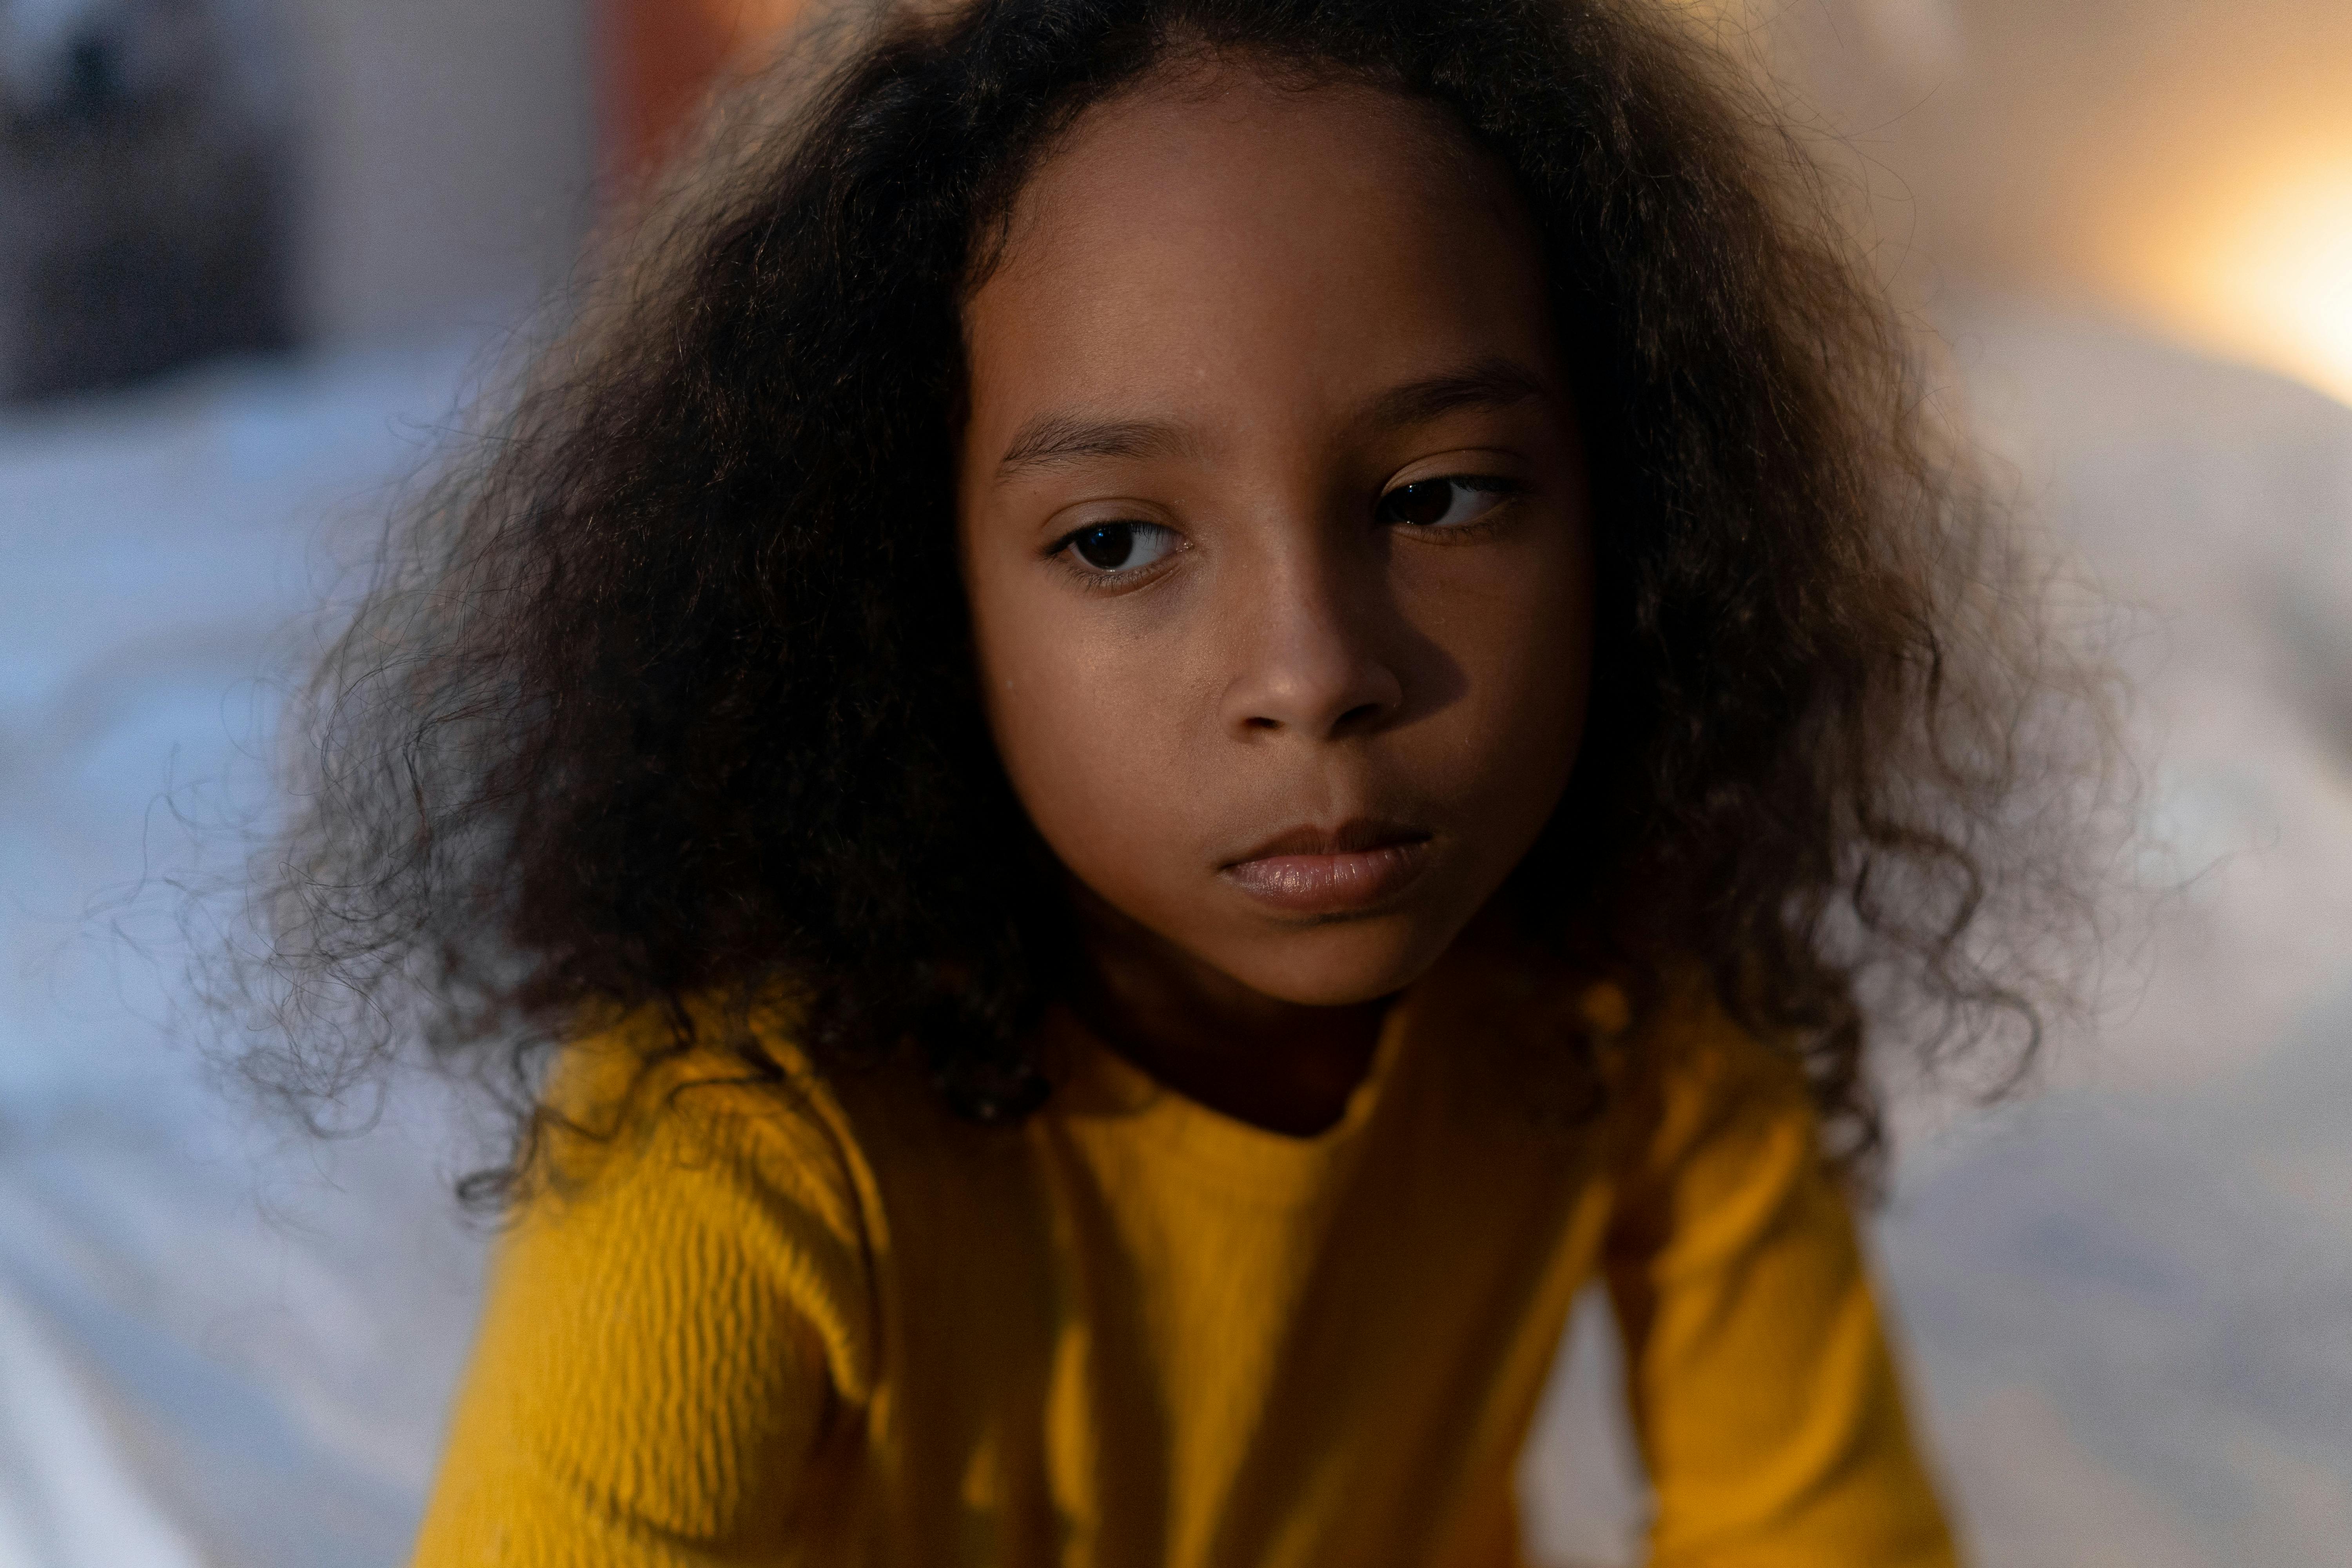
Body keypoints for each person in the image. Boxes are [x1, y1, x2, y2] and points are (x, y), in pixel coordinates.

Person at [245, 0, 2096, 1561]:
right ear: (901, 592)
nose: (1313, 675)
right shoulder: (731, 1150)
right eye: (1121, 541)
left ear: (1646, 509)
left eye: (1440, 498)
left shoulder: (1639, 992)